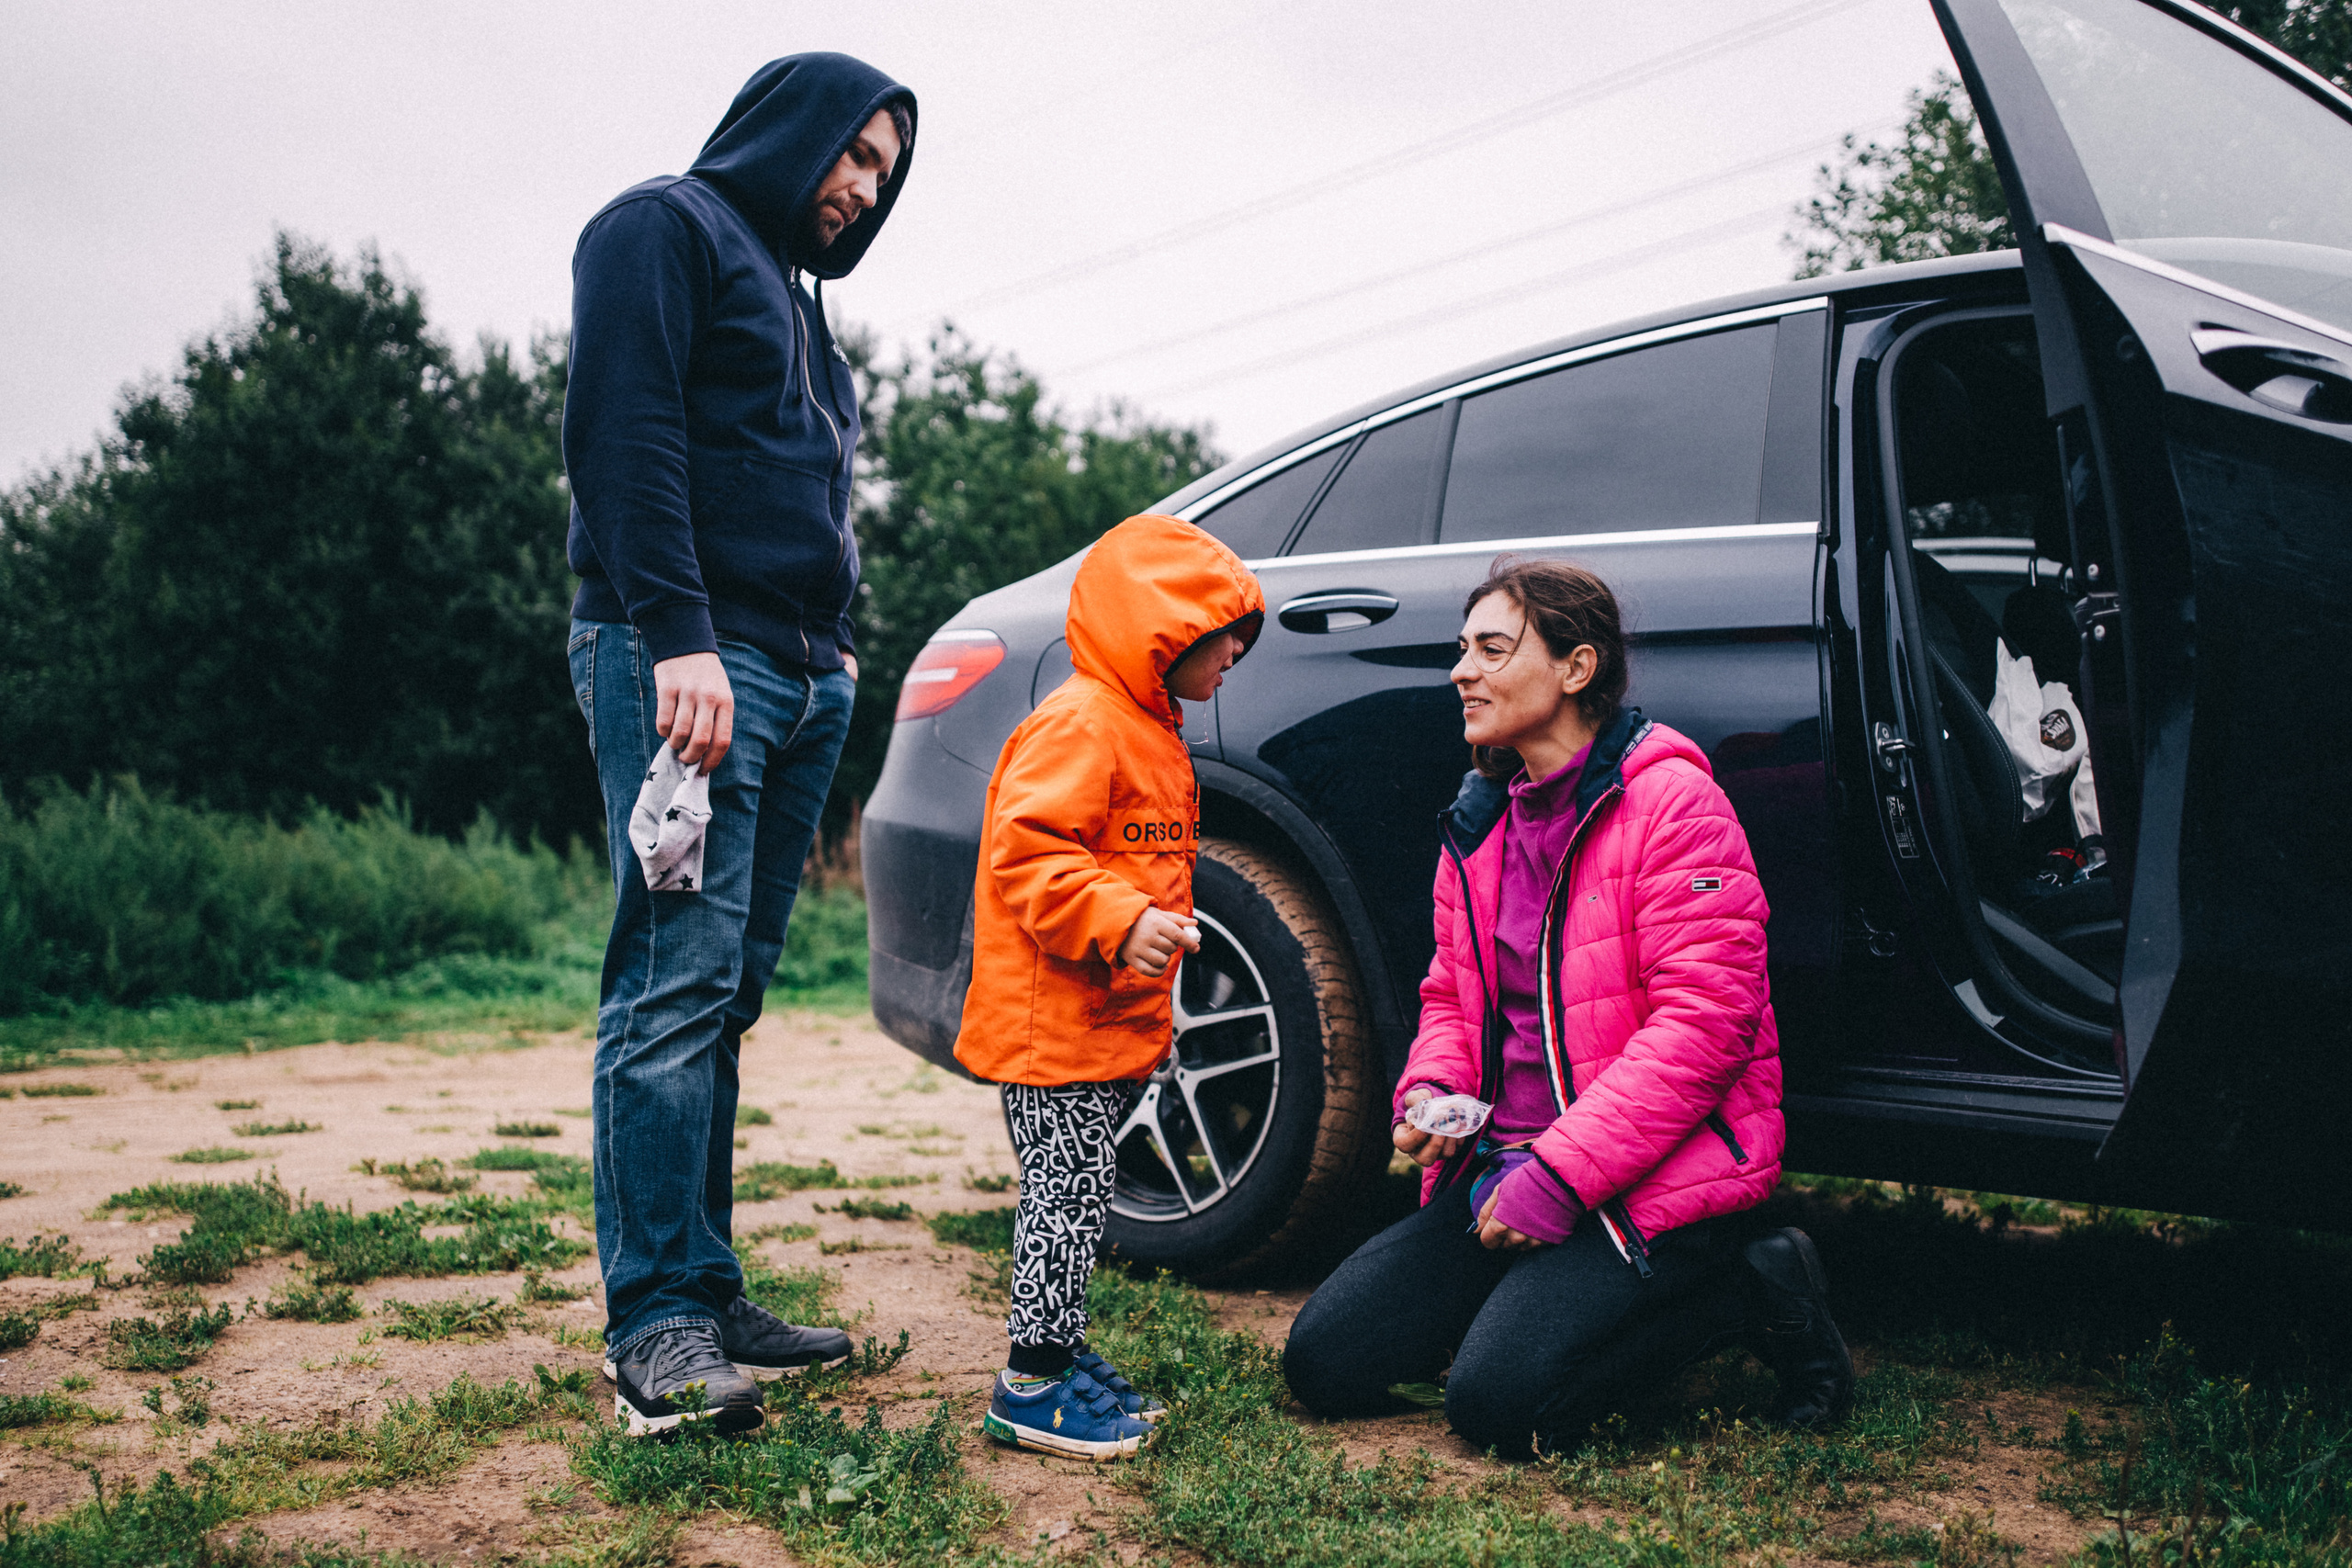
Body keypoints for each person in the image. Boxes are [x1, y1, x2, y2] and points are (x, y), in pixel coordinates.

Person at [1283, 558, 1853, 1458]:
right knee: (1324, 1364)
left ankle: (1751, 1286)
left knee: (1498, 1408)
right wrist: (1431, 1089)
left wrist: (1558, 1178)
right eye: (1460, 649)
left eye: (1491, 648)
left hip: (1647, 1181)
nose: (1460, 671)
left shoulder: (1672, 805)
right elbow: (1449, 998)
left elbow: (1705, 1031)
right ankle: (1521, 1305)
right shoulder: (1478, 826)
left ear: (1575, 668)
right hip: (1498, 1171)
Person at [561, 53, 916, 1438]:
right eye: (854, 153)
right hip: (691, 665)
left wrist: (832, 661)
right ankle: (652, 1325)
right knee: (670, 977)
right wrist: (679, 636)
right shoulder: (663, 228)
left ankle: (706, 1285)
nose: (864, 185)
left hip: (798, 679)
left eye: (886, 170)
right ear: (795, 128)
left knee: (729, 991)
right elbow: (623, 436)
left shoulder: (806, 310)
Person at [955, 514, 1266, 1460]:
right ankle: (1032, 1386)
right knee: (1064, 1194)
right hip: (1053, 1032)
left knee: (1083, 1196)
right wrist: (1122, 921)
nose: (1229, 668)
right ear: (1162, 633)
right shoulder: (1084, 725)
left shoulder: (1143, 728)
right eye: (1222, 647)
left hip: (1099, 1026)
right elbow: (1028, 851)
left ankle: (1058, 1351)